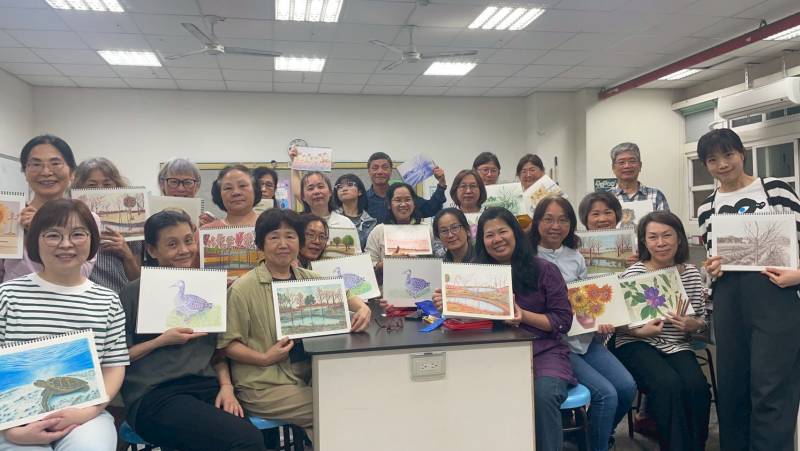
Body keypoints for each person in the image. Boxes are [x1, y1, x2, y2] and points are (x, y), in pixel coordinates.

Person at [218, 209, 371, 441]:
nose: (283, 244)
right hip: (263, 383)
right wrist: (264, 358)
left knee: (354, 398)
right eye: (274, 237)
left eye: (290, 236)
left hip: (308, 372)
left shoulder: (308, 278)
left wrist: (363, 308)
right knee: (335, 408)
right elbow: (227, 345)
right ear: (260, 244)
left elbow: (345, 293)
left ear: (299, 242)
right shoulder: (242, 289)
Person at [119, 210, 266, 451]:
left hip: (205, 387)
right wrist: (160, 341)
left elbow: (217, 351)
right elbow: (116, 357)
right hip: (154, 395)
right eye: (172, 244)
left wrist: (226, 387)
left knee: (257, 439)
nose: (184, 250)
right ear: (152, 250)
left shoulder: (208, 287)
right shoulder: (133, 293)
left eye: (189, 241)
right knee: (246, 441)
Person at [697, 128, 800, 451]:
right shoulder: (707, 207)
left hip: (776, 294)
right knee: (732, 386)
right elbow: (712, 256)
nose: (722, 164)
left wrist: (797, 276)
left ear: (742, 154)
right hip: (728, 299)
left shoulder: (776, 190)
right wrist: (712, 269)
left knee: (772, 386)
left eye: (728, 155)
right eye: (712, 160)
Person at [0, 199, 128, 451]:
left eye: (78, 234)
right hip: (11, 418)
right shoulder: (7, 296)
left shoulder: (108, 301)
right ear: (34, 241)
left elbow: (114, 367)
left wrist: (89, 411)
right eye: (53, 235)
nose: (66, 244)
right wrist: (8, 428)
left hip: (84, 416)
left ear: (92, 240)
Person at [531, 196, 635, 451]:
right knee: (606, 395)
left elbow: (587, 299)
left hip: (586, 339)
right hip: (558, 344)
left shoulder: (575, 256)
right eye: (548, 219)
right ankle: (596, 444)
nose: (556, 226)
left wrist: (602, 321)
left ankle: (594, 436)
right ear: (537, 222)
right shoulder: (527, 257)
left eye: (563, 220)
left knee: (626, 387)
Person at [476, 207, 574, 450]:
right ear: (482, 241)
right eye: (489, 235)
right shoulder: (475, 275)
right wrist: (449, 303)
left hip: (544, 351)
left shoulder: (544, 270)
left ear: (515, 233)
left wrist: (523, 316)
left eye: (503, 231)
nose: (497, 239)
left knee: (544, 395)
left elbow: (563, 321)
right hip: (494, 353)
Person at [613, 211, 710, 451]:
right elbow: (617, 321)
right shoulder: (634, 274)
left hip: (677, 343)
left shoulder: (691, 273)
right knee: (668, 385)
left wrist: (694, 324)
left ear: (679, 238)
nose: (661, 243)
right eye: (653, 237)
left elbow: (702, 319)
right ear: (644, 242)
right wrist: (638, 332)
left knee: (697, 388)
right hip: (636, 343)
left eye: (667, 235)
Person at [0, 135, 99, 283]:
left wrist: (39, 229)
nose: (46, 172)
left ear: (72, 172)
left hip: (67, 296)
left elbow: (82, 273)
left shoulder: (87, 219)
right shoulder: (9, 214)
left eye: (55, 163)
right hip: (14, 297)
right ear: (25, 172)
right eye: (36, 164)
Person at [72, 158, 142, 293]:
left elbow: (137, 280)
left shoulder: (131, 226)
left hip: (120, 296)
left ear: (117, 186)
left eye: (107, 184)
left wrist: (127, 254)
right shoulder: (69, 221)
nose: (100, 190)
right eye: (92, 185)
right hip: (81, 296)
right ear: (78, 188)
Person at [365, 182, 441, 275]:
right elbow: (368, 267)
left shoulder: (428, 230)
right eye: (398, 200)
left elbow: (439, 260)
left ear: (414, 203)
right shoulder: (378, 232)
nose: (403, 204)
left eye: (408, 199)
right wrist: (388, 263)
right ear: (389, 204)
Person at [364, 152, 447, 223]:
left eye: (385, 167)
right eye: (375, 168)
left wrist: (441, 184)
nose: (380, 171)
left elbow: (430, 209)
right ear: (369, 171)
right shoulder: (363, 200)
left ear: (391, 171)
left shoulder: (404, 195)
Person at [608, 143, 670, 212]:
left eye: (632, 161)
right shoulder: (606, 198)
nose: (627, 166)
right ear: (613, 167)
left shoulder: (656, 196)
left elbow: (665, 219)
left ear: (640, 166)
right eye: (621, 162)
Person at [157, 157, 214, 226]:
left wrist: (210, 229)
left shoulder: (206, 221)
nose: (181, 189)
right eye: (174, 182)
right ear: (162, 184)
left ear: (197, 186)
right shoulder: (150, 218)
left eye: (187, 182)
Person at [332, 174, 376, 250]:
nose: (344, 189)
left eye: (350, 185)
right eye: (340, 187)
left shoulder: (370, 222)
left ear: (360, 192)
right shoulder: (330, 218)